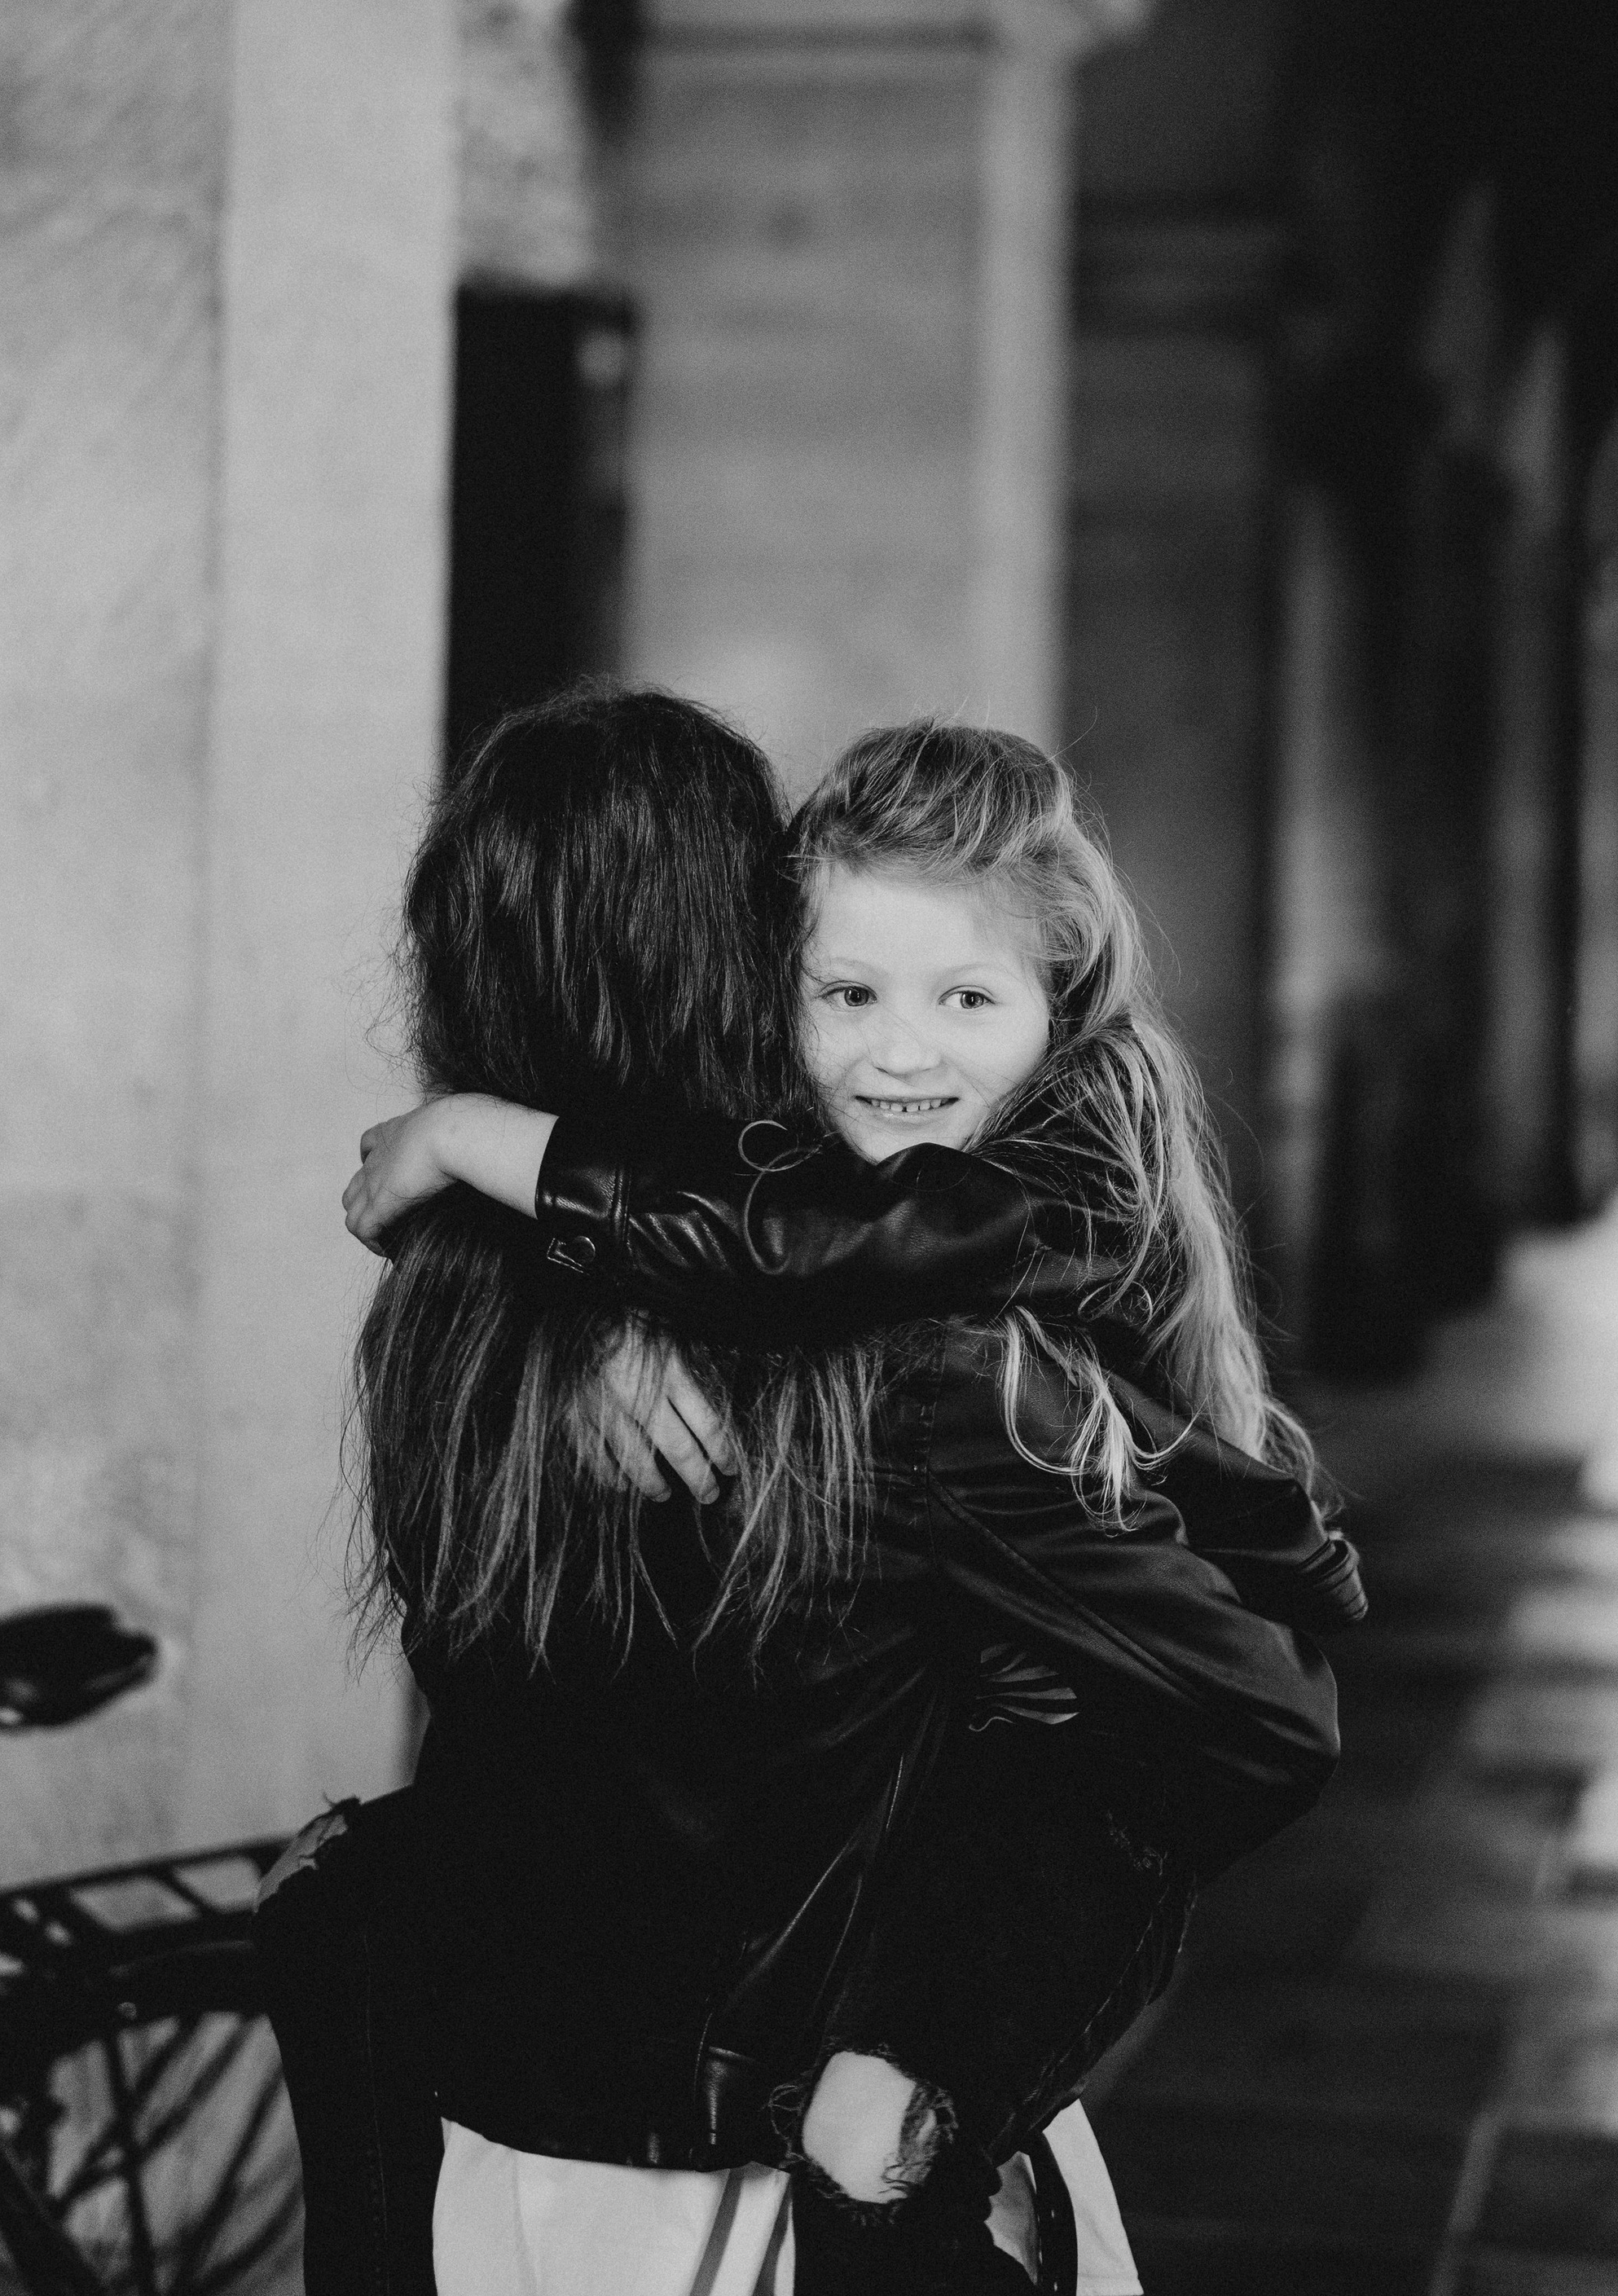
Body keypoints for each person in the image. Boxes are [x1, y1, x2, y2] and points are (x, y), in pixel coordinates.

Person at [324, 697, 1361, 2292]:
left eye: (959, 991)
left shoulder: (455, 1301)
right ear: (753, 970)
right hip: (726, 2171)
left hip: (526, 2141)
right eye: (842, 985)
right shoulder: (821, 1342)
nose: (897, 1044)